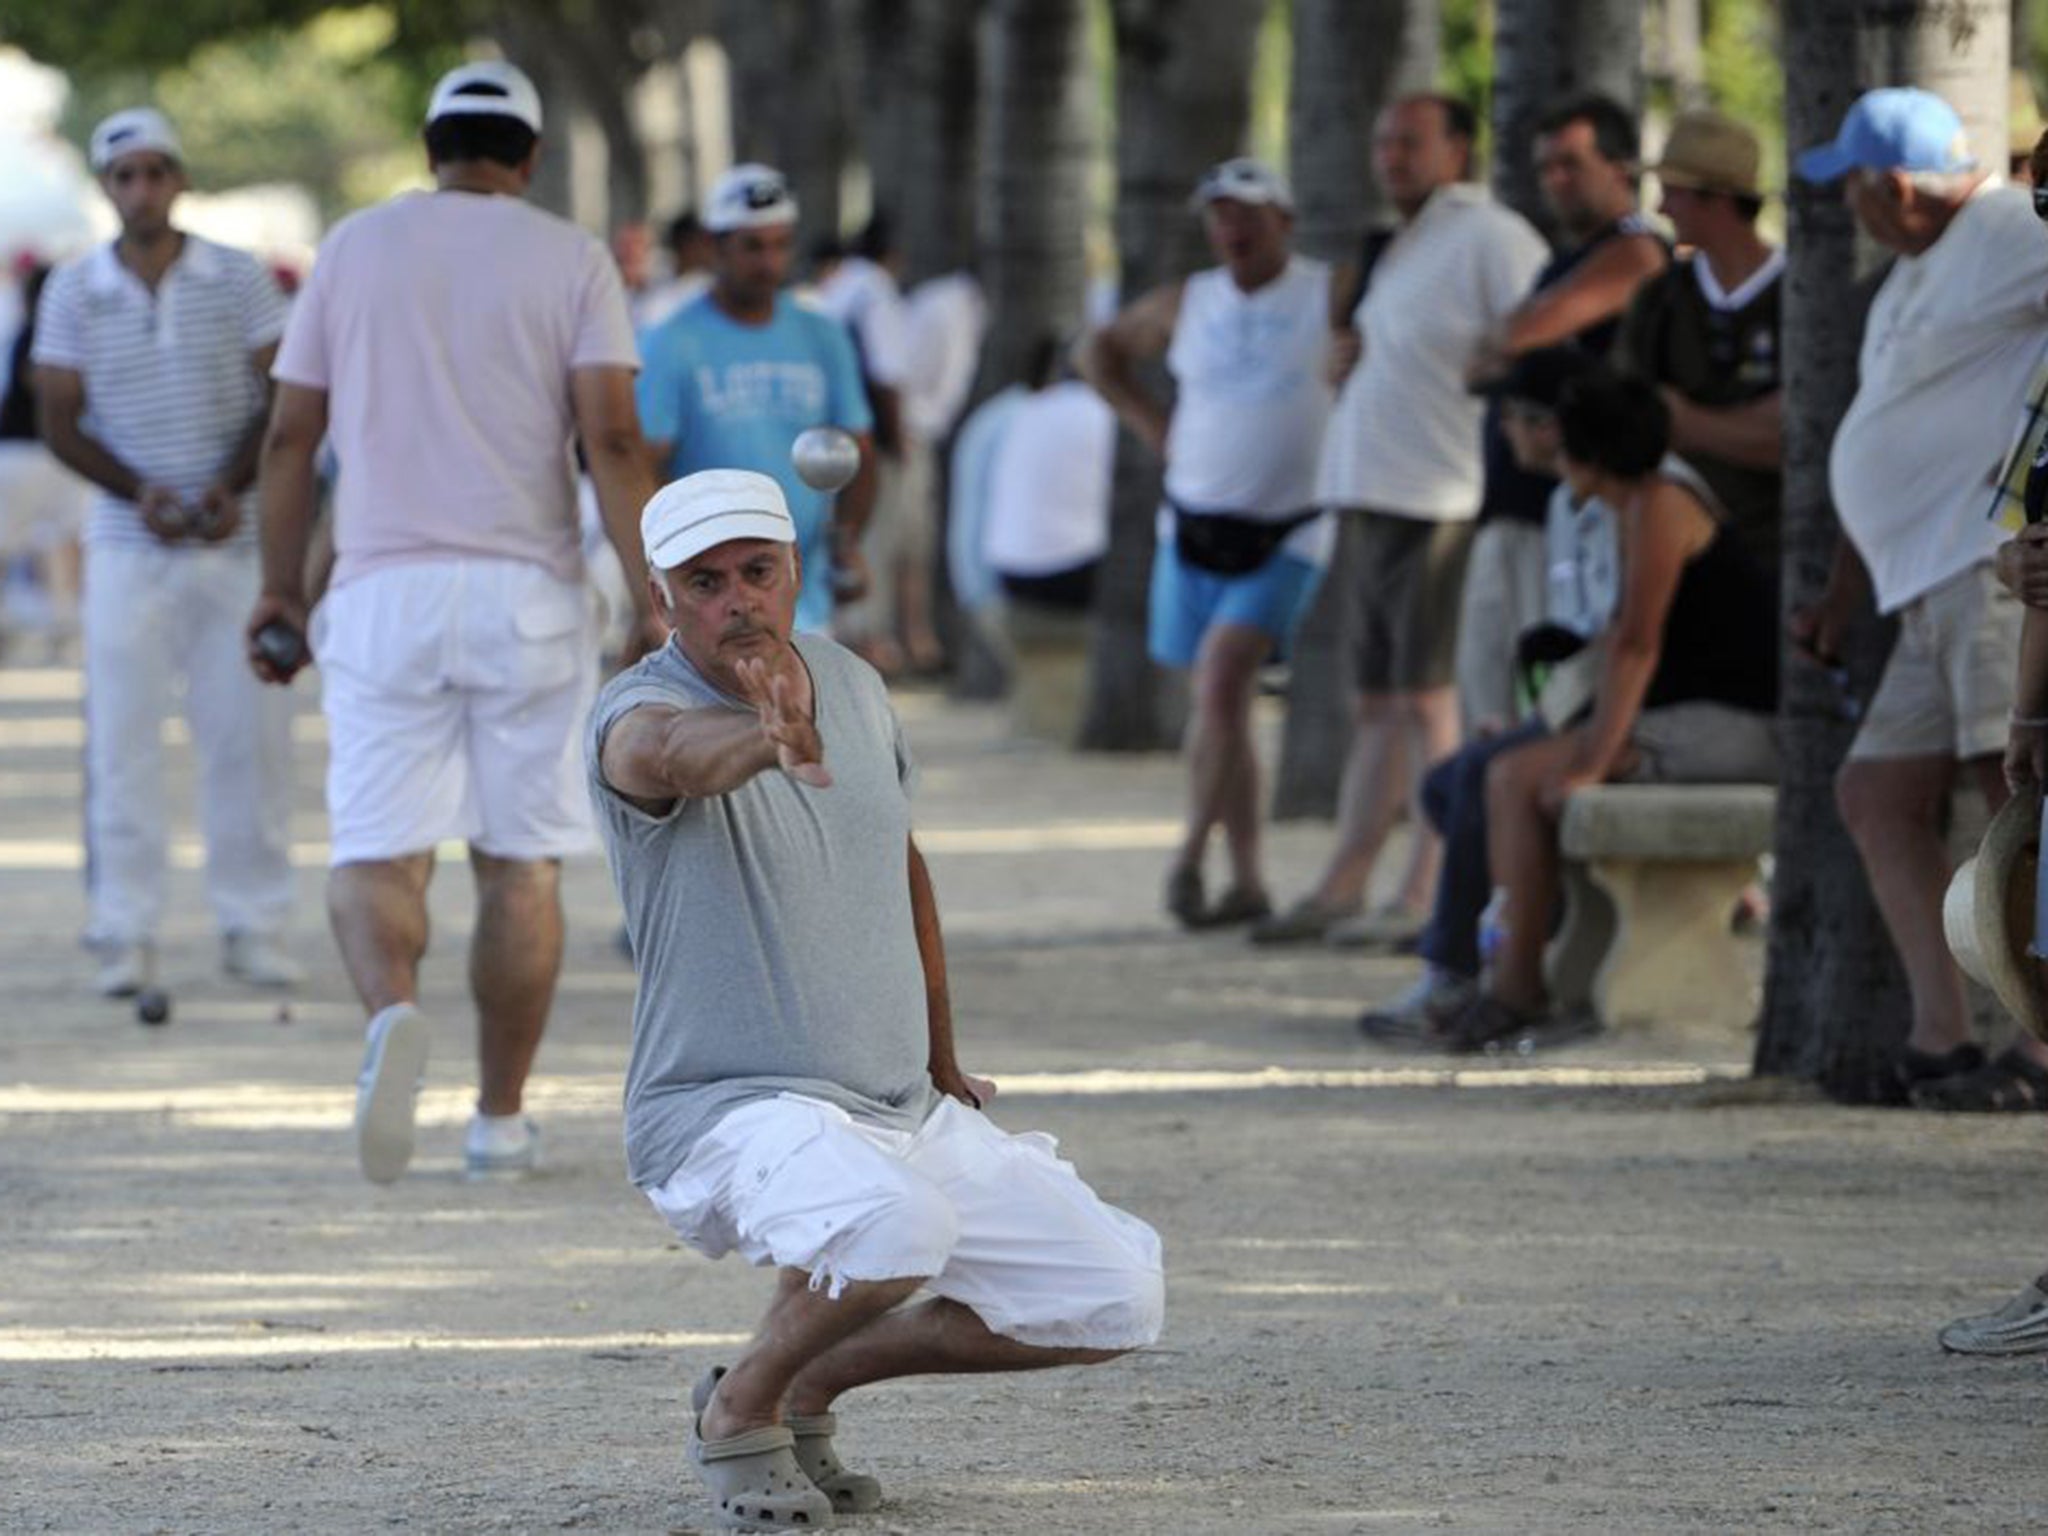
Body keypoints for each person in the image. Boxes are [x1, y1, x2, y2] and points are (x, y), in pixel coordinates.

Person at [588, 469, 1164, 1527]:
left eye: (755, 571)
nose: (735, 601)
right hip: (724, 1104)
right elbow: (672, 760)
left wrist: (940, 1055)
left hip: (895, 1097)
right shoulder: (637, 710)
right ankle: (743, 1409)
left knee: (1115, 1297)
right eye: (702, 582)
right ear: (664, 597)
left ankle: (810, 1383)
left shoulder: (851, 683)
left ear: (794, 567)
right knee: (895, 1228)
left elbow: (896, 865)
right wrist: (768, 737)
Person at [248, 61, 662, 1184]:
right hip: (526, 595)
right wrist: (655, 597)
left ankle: (390, 1013)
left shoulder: (351, 248)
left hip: (381, 594)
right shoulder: (570, 257)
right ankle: (500, 1121)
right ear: (525, 159)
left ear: (430, 147)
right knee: (520, 868)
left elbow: (291, 439)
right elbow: (612, 441)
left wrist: (281, 588)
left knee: (376, 850)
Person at [1792, 87, 2048, 1110]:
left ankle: (2035, 1053)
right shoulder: (1909, 271)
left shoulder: (1997, 231)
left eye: (1849, 185)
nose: (1842, 205)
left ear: (1892, 186)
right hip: (1917, 586)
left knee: (2016, 796)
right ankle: (1938, 1037)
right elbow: (1887, 427)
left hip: (1984, 572)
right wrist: (1839, 594)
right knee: (1874, 794)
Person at [1253, 97, 1548, 948]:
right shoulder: (1402, 242)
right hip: (1374, 491)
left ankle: (1425, 888)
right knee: (1377, 698)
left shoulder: (1491, 233)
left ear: (1459, 150)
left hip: (1442, 494)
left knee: (1428, 696)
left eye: (1411, 141)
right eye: (1383, 140)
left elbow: (1536, 332)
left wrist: (1497, 370)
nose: (1393, 156)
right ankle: (1346, 879)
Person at [32, 107, 299, 998]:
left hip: (235, 539)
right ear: (107, 188)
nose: (141, 189)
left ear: (179, 179)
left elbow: (284, 395)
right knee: (121, 740)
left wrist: (229, 482)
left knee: (246, 736)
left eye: (155, 172)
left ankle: (253, 920)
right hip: (124, 542)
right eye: (125, 176)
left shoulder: (237, 277)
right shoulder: (74, 289)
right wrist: (137, 492)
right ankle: (126, 925)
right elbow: (58, 417)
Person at [1433, 375, 1778, 1051]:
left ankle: (1514, 987)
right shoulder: (1634, 506)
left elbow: (1637, 643)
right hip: (1694, 712)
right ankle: (1518, 974)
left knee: (1511, 779)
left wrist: (1592, 759)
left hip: (1742, 725)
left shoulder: (1662, 504)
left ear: (1587, 453)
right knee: (1506, 776)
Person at [1081, 157, 1340, 930]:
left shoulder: (1329, 292)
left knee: (1222, 683)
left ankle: (1190, 855)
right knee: (1224, 706)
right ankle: (1251, 879)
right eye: (1220, 215)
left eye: (1248, 214)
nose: (1232, 228)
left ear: (1284, 222)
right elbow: (1097, 352)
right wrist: (1153, 425)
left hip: (1290, 527)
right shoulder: (1186, 302)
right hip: (1190, 523)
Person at [1358, 348, 1612, 1039]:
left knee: (1482, 779)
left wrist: (1576, 748)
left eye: (1519, 417)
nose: (1502, 429)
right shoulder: (1568, 499)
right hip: (1580, 703)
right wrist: (1536, 721)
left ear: (1556, 427)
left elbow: (1629, 644)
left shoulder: (1629, 501)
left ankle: (1463, 972)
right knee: (1449, 785)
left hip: (1635, 713)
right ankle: (1518, 947)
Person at [1454, 92, 1670, 746]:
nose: (1555, 181)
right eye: (1546, 167)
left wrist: (1516, 342)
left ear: (1622, 168)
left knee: (1545, 708)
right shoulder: (1560, 261)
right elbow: (1477, 361)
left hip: (1576, 511)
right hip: (1515, 507)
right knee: (1487, 702)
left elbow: (1516, 337)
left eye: (1572, 164)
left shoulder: (1636, 249)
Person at [638, 163, 879, 638]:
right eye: (752, 246)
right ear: (714, 245)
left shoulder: (822, 335)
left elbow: (859, 449)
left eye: (779, 244)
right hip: (708, 607)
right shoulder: (671, 341)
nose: (768, 262)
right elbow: (646, 465)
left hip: (801, 601)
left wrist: (846, 544)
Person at [1617, 108, 1784, 583]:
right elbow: (1633, 422)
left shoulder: (1799, 299)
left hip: (1777, 558)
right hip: (1676, 562)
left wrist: (1685, 419)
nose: (1662, 208)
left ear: (1718, 200)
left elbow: (1798, 436)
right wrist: (1749, 425)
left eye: (1674, 192)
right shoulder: (1660, 299)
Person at [635, 211, 716, 334]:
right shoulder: (655, 281)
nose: (708, 250)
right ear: (684, 245)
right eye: (702, 243)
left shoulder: (711, 288)